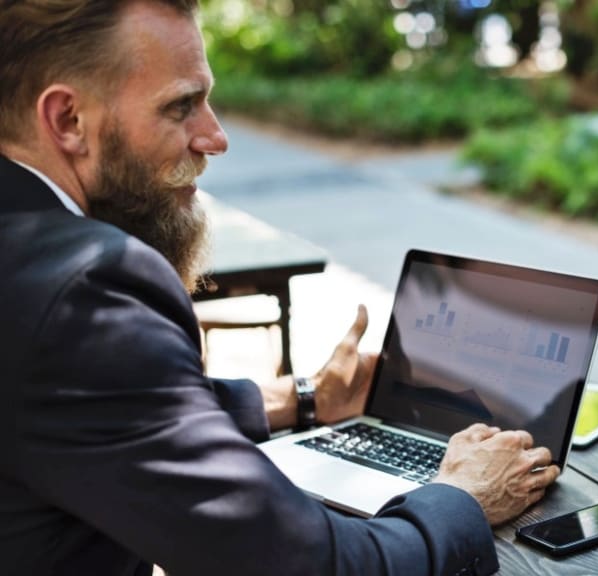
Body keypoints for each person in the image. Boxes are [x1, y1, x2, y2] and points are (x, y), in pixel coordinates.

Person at [0, 1, 560, 575]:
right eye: (181, 106)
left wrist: (306, 398)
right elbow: (311, 565)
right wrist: (462, 495)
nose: (214, 137)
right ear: (68, 119)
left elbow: (102, 410)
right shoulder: (86, 290)